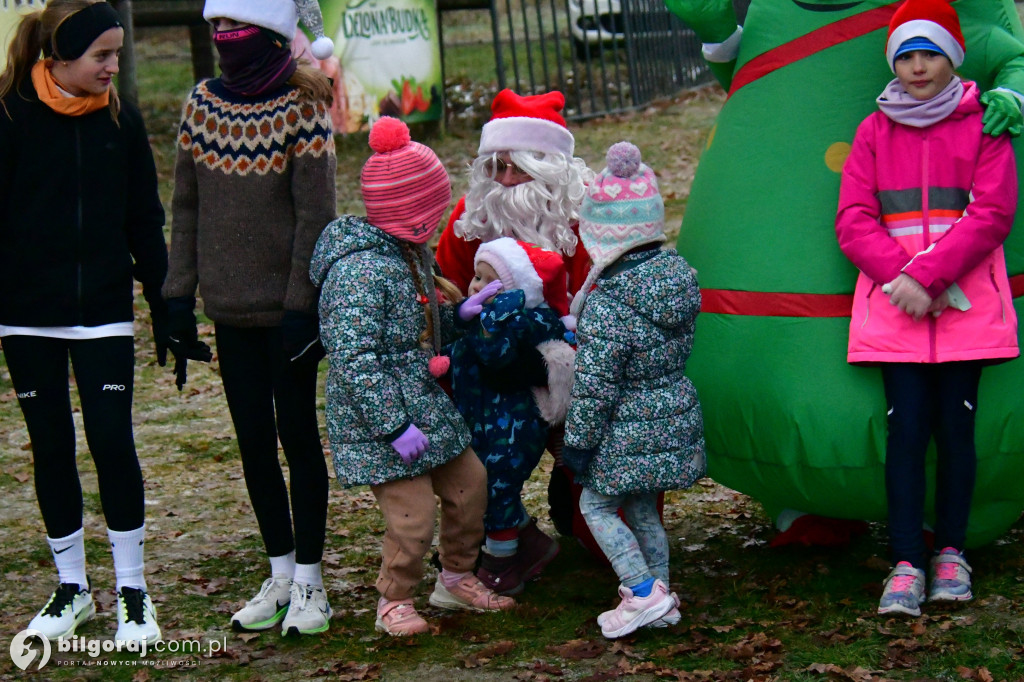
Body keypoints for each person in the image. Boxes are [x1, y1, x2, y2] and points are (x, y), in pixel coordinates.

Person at [835, 0, 1018, 618]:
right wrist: (905, 279)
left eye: (930, 54)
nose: (918, 66)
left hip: (965, 314)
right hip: (896, 315)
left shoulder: (984, 127)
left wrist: (930, 276)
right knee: (906, 435)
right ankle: (908, 560)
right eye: (906, 56)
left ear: (953, 58)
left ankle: (953, 554)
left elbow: (992, 213)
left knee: (957, 435)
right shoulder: (872, 132)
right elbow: (854, 222)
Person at [162, 0, 337, 636]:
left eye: (231, 31)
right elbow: (183, 205)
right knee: (254, 444)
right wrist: (177, 296)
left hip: (288, 314)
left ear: (266, 36)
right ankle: (281, 571)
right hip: (227, 311)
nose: (221, 41)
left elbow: (317, 216)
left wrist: (302, 303)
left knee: (296, 437)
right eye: (214, 30)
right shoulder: (202, 104)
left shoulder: (302, 107)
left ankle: (313, 582)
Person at [0, 0, 168, 643]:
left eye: (118, 54)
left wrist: (165, 303)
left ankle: (133, 591)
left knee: (112, 444)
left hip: (101, 312)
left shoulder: (119, 122)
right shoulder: (11, 117)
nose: (113, 66)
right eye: (102, 55)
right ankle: (72, 589)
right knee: (50, 450)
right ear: (59, 59)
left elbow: (144, 219)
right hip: (26, 316)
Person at [310, 116, 516, 637]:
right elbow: (355, 358)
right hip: (378, 416)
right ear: (413, 211)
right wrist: (393, 426)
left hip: (422, 399)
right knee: (412, 516)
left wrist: (457, 316)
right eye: (435, 206)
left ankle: (456, 577)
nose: (442, 214)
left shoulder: (410, 253)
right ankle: (394, 599)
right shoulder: (358, 269)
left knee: (470, 484)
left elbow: (416, 325)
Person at [435, 88, 596, 541]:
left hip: (568, 362)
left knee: (582, 453)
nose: (506, 181)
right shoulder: (470, 218)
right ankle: (498, 532)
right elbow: (449, 294)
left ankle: (579, 508)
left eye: (519, 168)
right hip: (489, 368)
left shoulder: (581, 219)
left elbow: (597, 299)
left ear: (550, 171)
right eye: (496, 167)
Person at [562, 141, 706, 639]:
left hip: (625, 426)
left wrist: (578, 443)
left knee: (596, 506)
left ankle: (642, 590)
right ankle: (661, 597)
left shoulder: (608, 305)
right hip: (671, 411)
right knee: (643, 507)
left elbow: (595, 386)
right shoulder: (679, 280)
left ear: (599, 234)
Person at [438, 238, 575, 595]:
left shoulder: (522, 319)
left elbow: (495, 354)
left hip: (512, 427)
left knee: (497, 488)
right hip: (480, 420)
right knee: (487, 487)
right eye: (475, 276)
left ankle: (502, 568)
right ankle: (533, 546)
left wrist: (494, 314)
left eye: (488, 280)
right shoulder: (480, 317)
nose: (476, 286)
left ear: (514, 289)